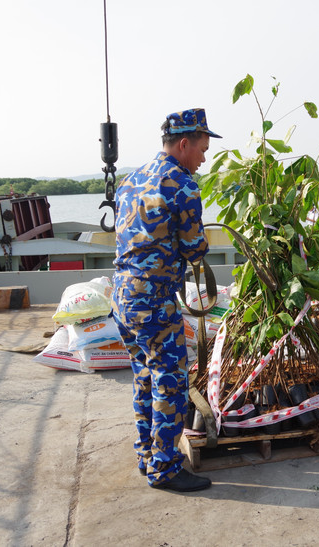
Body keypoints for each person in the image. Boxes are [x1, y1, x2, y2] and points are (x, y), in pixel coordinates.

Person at [111, 108, 220, 492]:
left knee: (145, 377)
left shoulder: (131, 179)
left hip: (122, 295)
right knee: (172, 383)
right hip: (154, 301)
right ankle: (165, 469)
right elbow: (194, 250)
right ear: (184, 144)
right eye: (203, 150)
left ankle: (147, 456)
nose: (204, 159)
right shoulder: (183, 185)